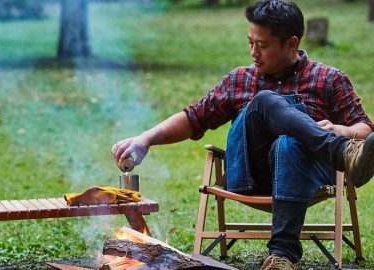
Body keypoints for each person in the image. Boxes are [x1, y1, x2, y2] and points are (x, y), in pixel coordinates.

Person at [111, 0, 374, 269]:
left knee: (290, 142)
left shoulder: (328, 79)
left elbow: (364, 128)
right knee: (264, 101)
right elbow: (195, 118)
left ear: (291, 44)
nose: (253, 52)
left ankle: (281, 256)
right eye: (250, 42)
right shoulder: (240, 79)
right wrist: (146, 138)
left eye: (262, 45)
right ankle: (340, 151)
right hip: (252, 175)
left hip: (306, 177)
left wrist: (340, 129)